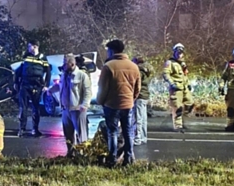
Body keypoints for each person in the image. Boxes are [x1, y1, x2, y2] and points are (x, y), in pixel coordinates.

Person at [96, 39, 141, 167]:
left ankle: (112, 159)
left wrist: (101, 101)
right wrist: (131, 99)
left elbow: (102, 88)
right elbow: (137, 89)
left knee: (112, 132)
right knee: (128, 132)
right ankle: (128, 159)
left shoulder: (108, 66)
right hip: (128, 105)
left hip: (111, 105)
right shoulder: (134, 66)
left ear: (112, 51)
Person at [48, 54, 92, 157]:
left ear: (72, 64)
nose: (63, 66)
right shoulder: (64, 75)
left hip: (77, 110)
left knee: (81, 135)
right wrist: (50, 90)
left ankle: (83, 155)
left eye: (65, 64)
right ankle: (71, 153)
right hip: (65, 109)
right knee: (68, 134)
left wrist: (84, 105)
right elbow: (59, 85)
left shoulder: (81, 75)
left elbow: (88, 92)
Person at [14, 42, 51, 137]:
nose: (29, 48)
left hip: (37, 86)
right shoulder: (26, 57)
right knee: (23, 108)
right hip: (25, 85)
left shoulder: (43, 58)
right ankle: (21, 129)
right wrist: (16, 83)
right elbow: (18, 71)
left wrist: (46, 85)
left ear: (35, 47)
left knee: (36, 108)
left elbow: (48, 72)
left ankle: (35, 129)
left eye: (30, 46)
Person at [163, 43, 194, 132]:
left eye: (181, 53)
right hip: (176, 89)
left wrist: (188, 83)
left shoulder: (182, 64)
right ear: (175, 52)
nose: (180, 54)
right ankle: (178, 126)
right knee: (177, 108)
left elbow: (185, 75)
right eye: (178, 52)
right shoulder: (170, 63)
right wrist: (172, 83)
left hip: (184, 88)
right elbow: (166, 74)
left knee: (190, 104)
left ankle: (182, 120)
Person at [132, 56, 154, 146]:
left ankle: (137, 139)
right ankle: (144, 137)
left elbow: (135, 84)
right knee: (144, 118)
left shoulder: (138, 71)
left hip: (139, 96)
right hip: (145, 96)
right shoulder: (146, 71)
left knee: (138, 118)